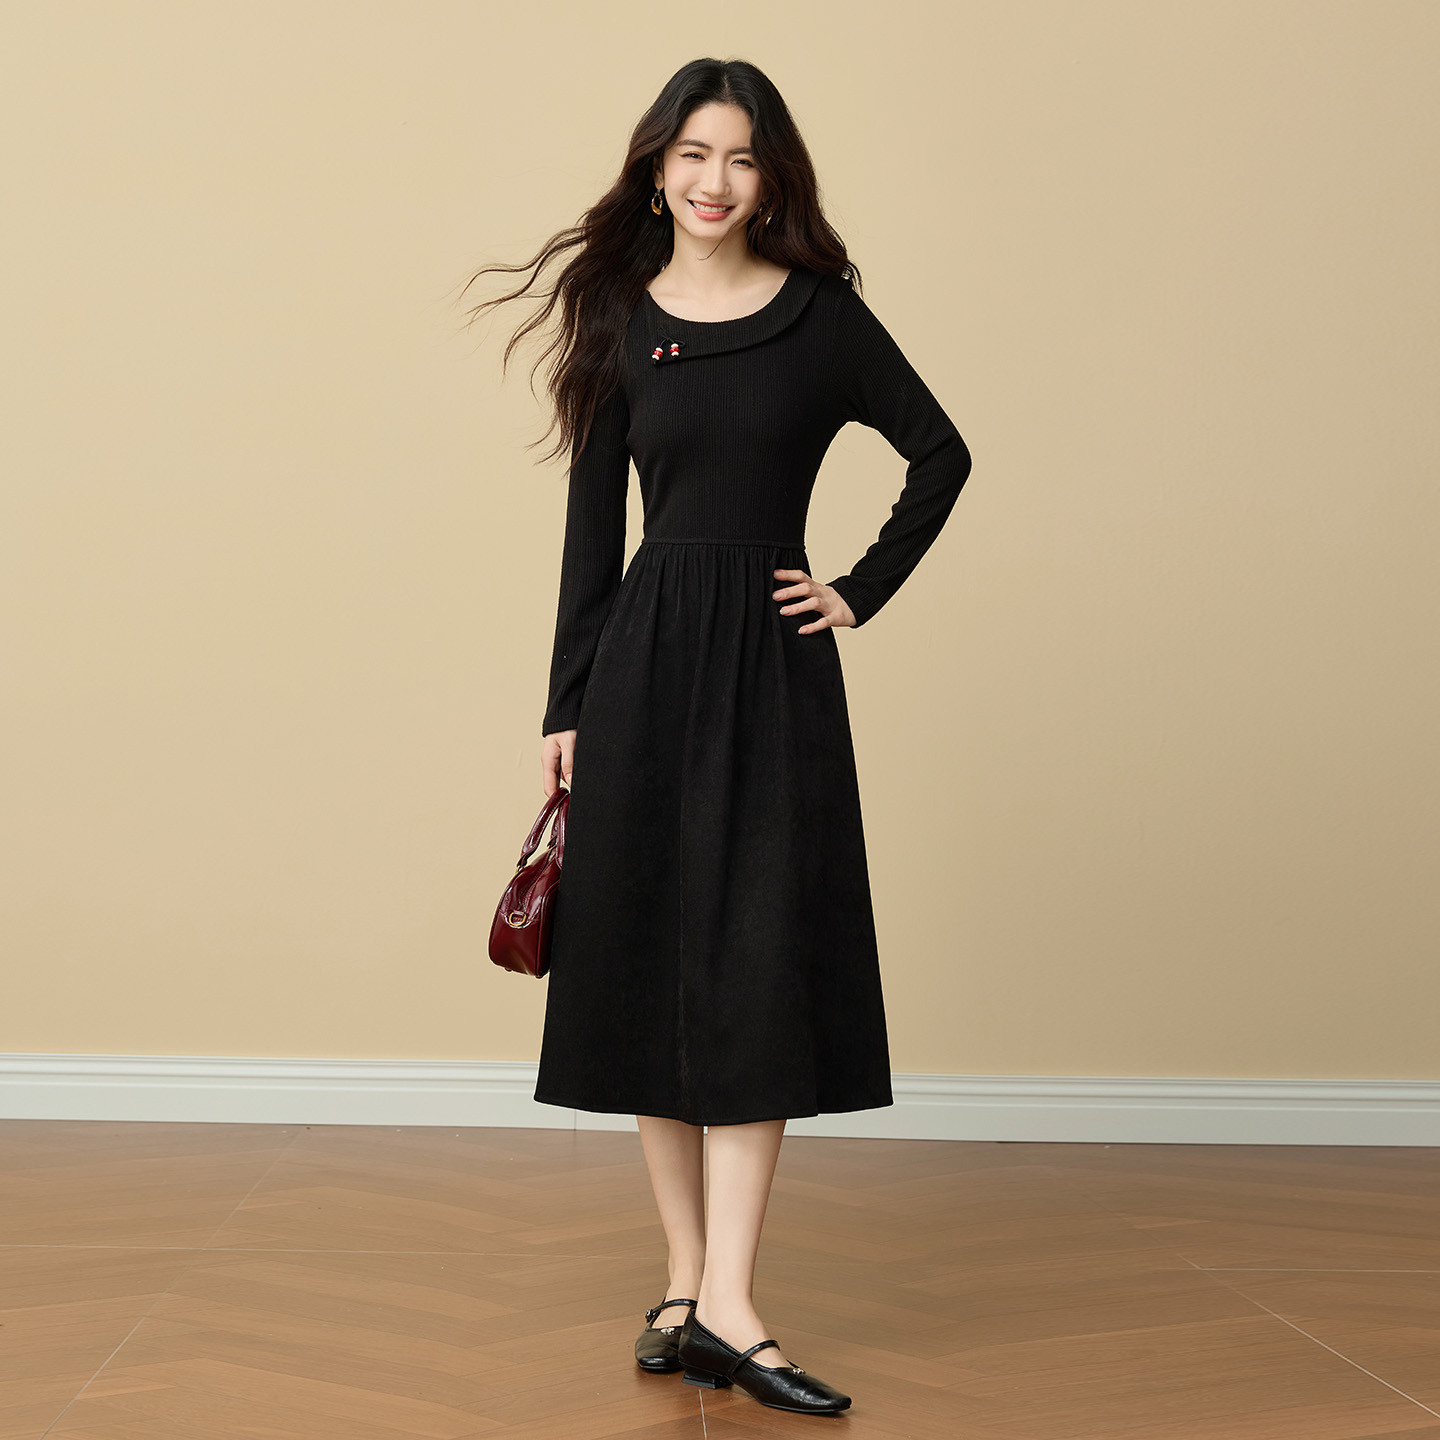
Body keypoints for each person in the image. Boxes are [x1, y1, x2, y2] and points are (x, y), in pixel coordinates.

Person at [462, 57, 971, 1417]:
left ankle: (734, 1300)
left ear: (771, 177)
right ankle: (686, 1287)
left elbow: (941, 452)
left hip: (773, 671)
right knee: (647, 963)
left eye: (740, 157)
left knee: (754, 965)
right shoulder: (620, 320)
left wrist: (855, 589)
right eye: (692, 152)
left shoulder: (821, 317)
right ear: (656, 167)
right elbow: (591, 533)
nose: (713, 179)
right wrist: (566, 706)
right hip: (640, 670)